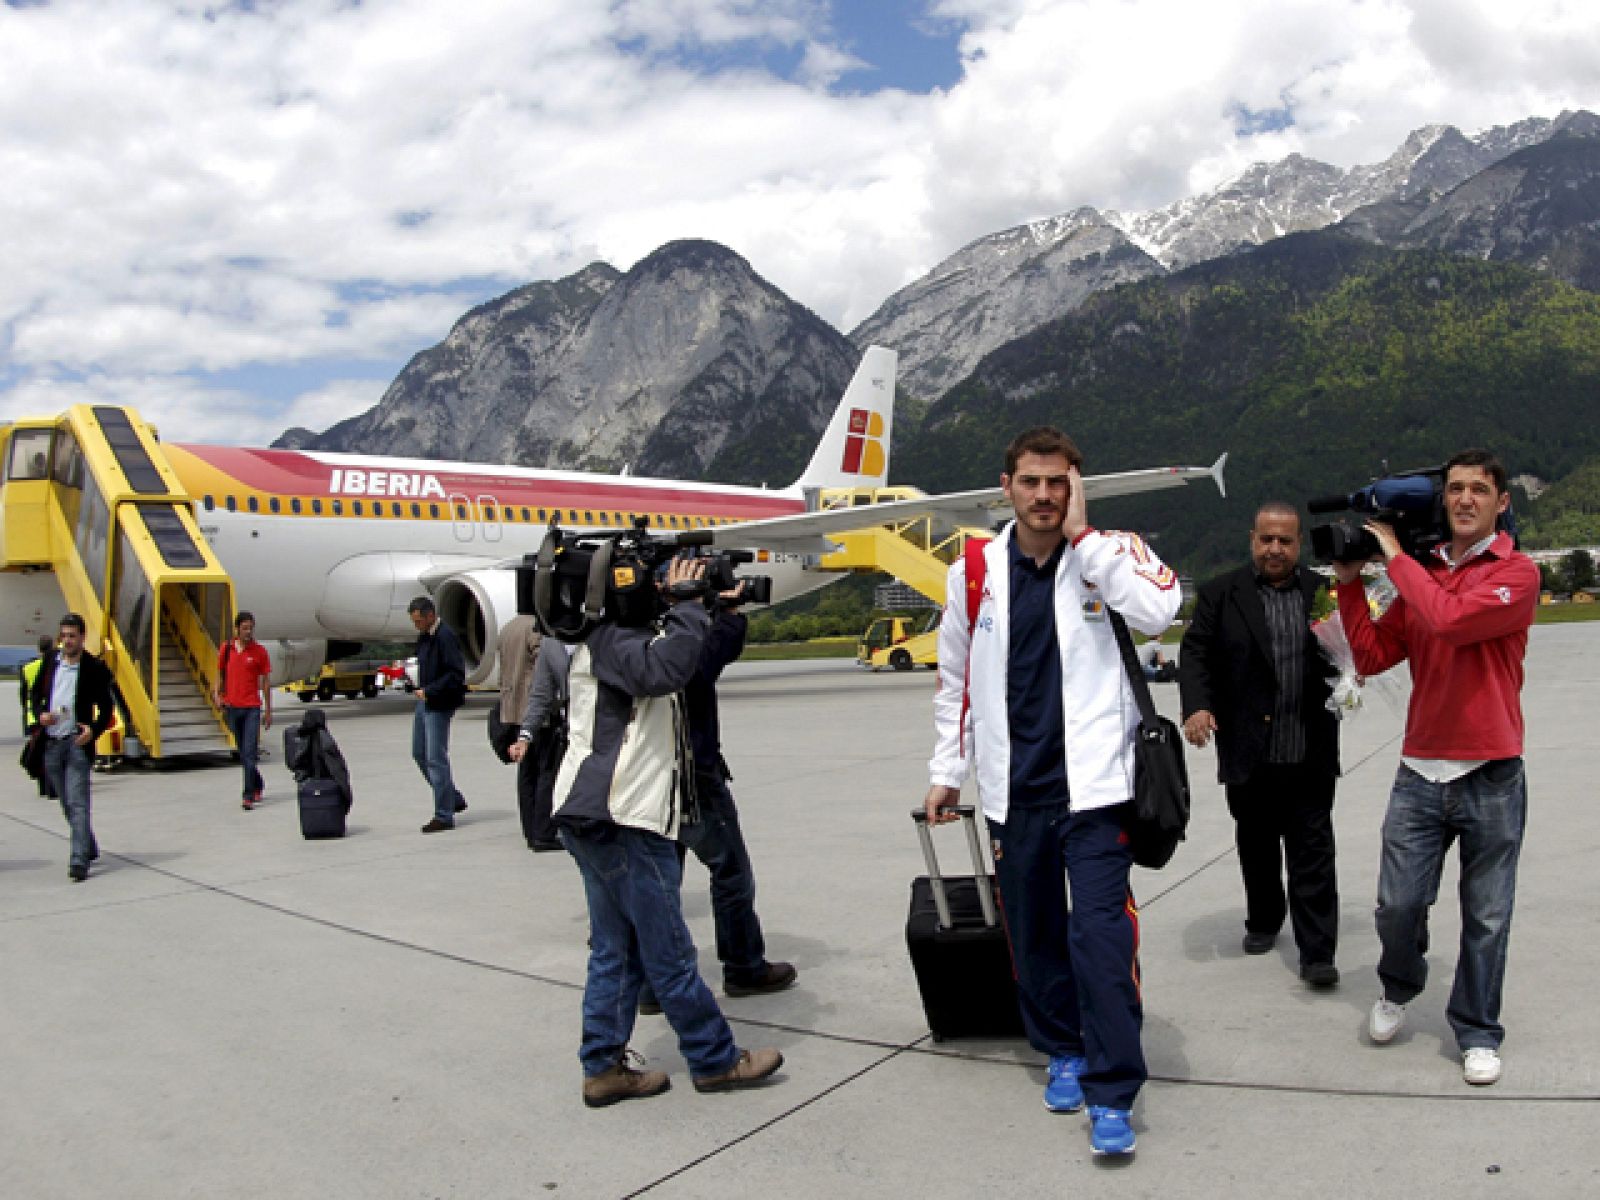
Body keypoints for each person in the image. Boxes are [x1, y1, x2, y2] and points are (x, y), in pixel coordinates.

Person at [925, 426, 1181, 1157]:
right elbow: (956, 684)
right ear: (1005, 486)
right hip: (1016, 794)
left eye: (1059, 481)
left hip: (1098, 795)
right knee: (1033, 937)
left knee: (1100, 941)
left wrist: (1088, 538)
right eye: (1031, 481)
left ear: (1078, 487)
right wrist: (950, 769)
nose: (1044, 495)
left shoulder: (1109, 553)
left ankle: (1112, 1090)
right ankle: (1061, 1046)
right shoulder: (973, 571)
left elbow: (1161, 610)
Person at [1333, 449, 1538, 1087]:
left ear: (1501, 503)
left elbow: (1449, 623)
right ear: (1442, 500)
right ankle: (1400, 985)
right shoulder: (1426, 577)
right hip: (1421, 770)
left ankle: (1477, 1030)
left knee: (1487, 915)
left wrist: (1395, 556)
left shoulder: (1517, 573)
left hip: (1492, 771)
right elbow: (1368, 655)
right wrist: (1346, 583)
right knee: (1397, 906)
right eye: (1455, 489)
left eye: (1479, 489)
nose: (1466, 499)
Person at [555, 555, 783, 1108]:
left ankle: (603, 1065)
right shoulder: (617, 641)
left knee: (616, 948)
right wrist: (685, 604)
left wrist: (706, 609)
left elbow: (689, 665)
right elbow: (665, 672)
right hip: (623, 815)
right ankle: (714, 1059)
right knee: (669, 952)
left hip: (596, 813)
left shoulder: (608, 637)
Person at [1179, 503, 1342, 987]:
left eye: (1285, 541)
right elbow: (1195, 654)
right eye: (1267, 540)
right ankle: (1265, 919)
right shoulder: (1219, 594)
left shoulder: (1322, 593)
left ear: (1299, 544)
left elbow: (1349, 647)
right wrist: (1197, 706)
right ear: (1253, 539)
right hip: (1249, 750)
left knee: (1313, 850)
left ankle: (1317, 953)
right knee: (1257, 843)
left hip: (1307, 748)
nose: (1275, 549)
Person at [642, 581, 796, 1011]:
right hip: (692, 771)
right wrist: (724, 614)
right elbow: (701, 666)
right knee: (729, 871)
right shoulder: (678, 634)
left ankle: (654, 983)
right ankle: (743, 965)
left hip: (646, 773)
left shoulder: (627, 631)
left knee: (656, 880)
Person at [29, 614, 116, 882]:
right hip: (52, 743)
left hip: (77, 744)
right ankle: (87, 844)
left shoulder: (92, 668)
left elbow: (106, 707)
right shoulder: (51, 662)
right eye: (64, 635)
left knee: (78, 803)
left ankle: (78, 859)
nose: (67, 641)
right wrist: (41, 713)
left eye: (72, 636)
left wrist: (94, 730)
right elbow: (34, 694)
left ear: (82, 637)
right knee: (66, 803)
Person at [408, 596, 468, 833]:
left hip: (439, 702)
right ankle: (452, 798)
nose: (417, 625)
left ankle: (443, 815)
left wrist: (430, 690)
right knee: (419, 753)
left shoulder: (445, 636)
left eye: (419, 621)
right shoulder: (425, 637)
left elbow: (455, 674)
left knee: (436, 758)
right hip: (426, 699)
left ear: (431, 615)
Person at [509, 629, 568, 853]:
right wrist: (525, 736)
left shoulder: (605, 633)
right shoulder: (551, 645)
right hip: (562, 726)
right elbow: (540, 694)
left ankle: (535, 830)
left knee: (535, 777)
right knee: (545, 776)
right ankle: (543, 832)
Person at [213, 610, 273, 810]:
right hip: (232, 707)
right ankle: (258, 783)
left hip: (252, 708)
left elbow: (265, 682)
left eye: (251, 628)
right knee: (242, 752)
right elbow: (220, 674)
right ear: (237, 629)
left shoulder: (259, 652)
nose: (248, 632)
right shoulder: (227, 649)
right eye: (245, 628)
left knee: (249, 751)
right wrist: (217, 694)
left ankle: (248, 795)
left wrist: (268, 710)